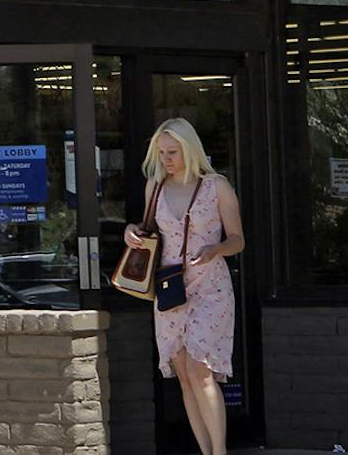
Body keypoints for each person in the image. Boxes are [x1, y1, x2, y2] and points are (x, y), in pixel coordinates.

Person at [123, 118, 244, 455]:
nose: (167, 159)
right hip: (171, 286)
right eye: (161, 153)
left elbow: (238, 239)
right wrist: (130, 231)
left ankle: (219, 450)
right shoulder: (155, 186)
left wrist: (216, 249)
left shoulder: (217, 186)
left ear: (190, 150)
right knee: (184, 374)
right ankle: (206, 450)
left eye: (173, 152)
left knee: (200, 370)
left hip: (210, 286)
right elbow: (147, 229)